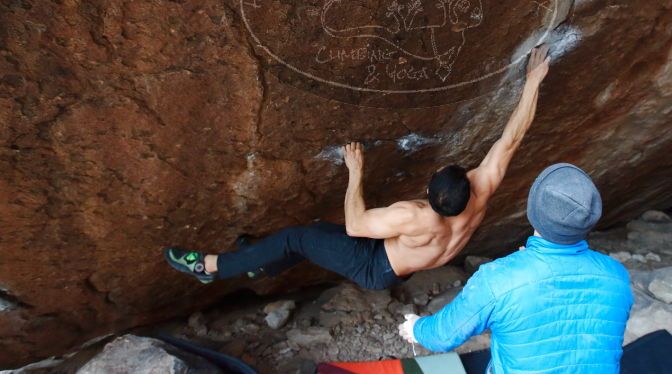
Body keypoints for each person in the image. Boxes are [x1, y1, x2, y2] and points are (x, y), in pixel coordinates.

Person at [163, 45, 550, 290]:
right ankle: (259, 265)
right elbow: (510, 139)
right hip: (402, 262)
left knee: (296, 238)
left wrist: (355, 172)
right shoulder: (479, 193)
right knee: (317, 236)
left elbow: (355, 226)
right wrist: (533, 82)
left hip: (373, 265)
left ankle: (212, 267)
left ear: (429, 193)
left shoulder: (413, 216)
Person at [399, 163, 634, 374]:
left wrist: (417, 328)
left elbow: (443, 335)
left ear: (532, 211)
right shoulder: (617, 276)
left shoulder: (499, 279)